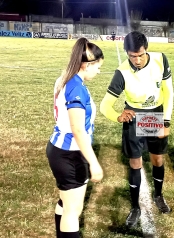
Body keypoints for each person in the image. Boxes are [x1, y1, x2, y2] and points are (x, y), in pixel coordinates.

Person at [100, 31, 174, 228]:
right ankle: (135, 207)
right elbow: (105, 105)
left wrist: (166, 122)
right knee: (135, 164)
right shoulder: (121, 72)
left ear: (146, 49)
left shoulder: (160, 60)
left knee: (157, 159)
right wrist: (117, 116)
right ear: (127, 53)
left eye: (140, 55)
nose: (137, 60)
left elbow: (169, 92)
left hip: (155, 114)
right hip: (134, 116)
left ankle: (158, 196)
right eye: (132, 56)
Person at [46, 37, 104, 238]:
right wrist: (94, 163)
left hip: (58, 149)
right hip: (70, 154)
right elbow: (78, 130)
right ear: (87, 65)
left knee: (65, 202)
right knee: (73, 211)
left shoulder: (65, 78)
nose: (99, 71)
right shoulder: (76, 88)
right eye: (98, 66)